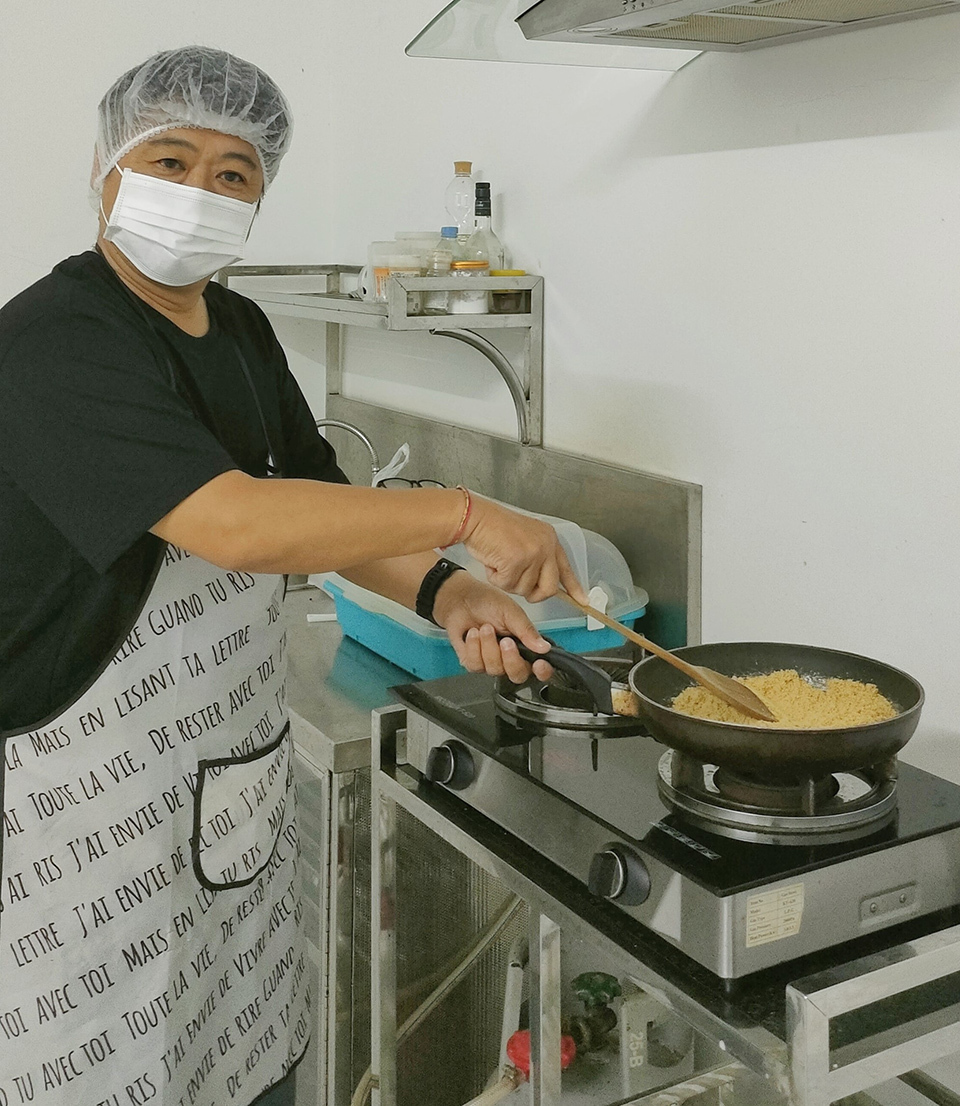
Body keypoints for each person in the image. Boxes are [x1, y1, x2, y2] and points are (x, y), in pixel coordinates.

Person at [0, 46, 584, 1106]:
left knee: (242, 1059)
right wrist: (462, 511)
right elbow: (235, 521)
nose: (200, 191)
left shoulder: (239, 327)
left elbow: (316, 503)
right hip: (84, 820)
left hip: (224, 788)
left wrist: (445, 590)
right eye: (170, 158)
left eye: (234, 174)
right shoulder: (51, 338)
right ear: (106, 168)